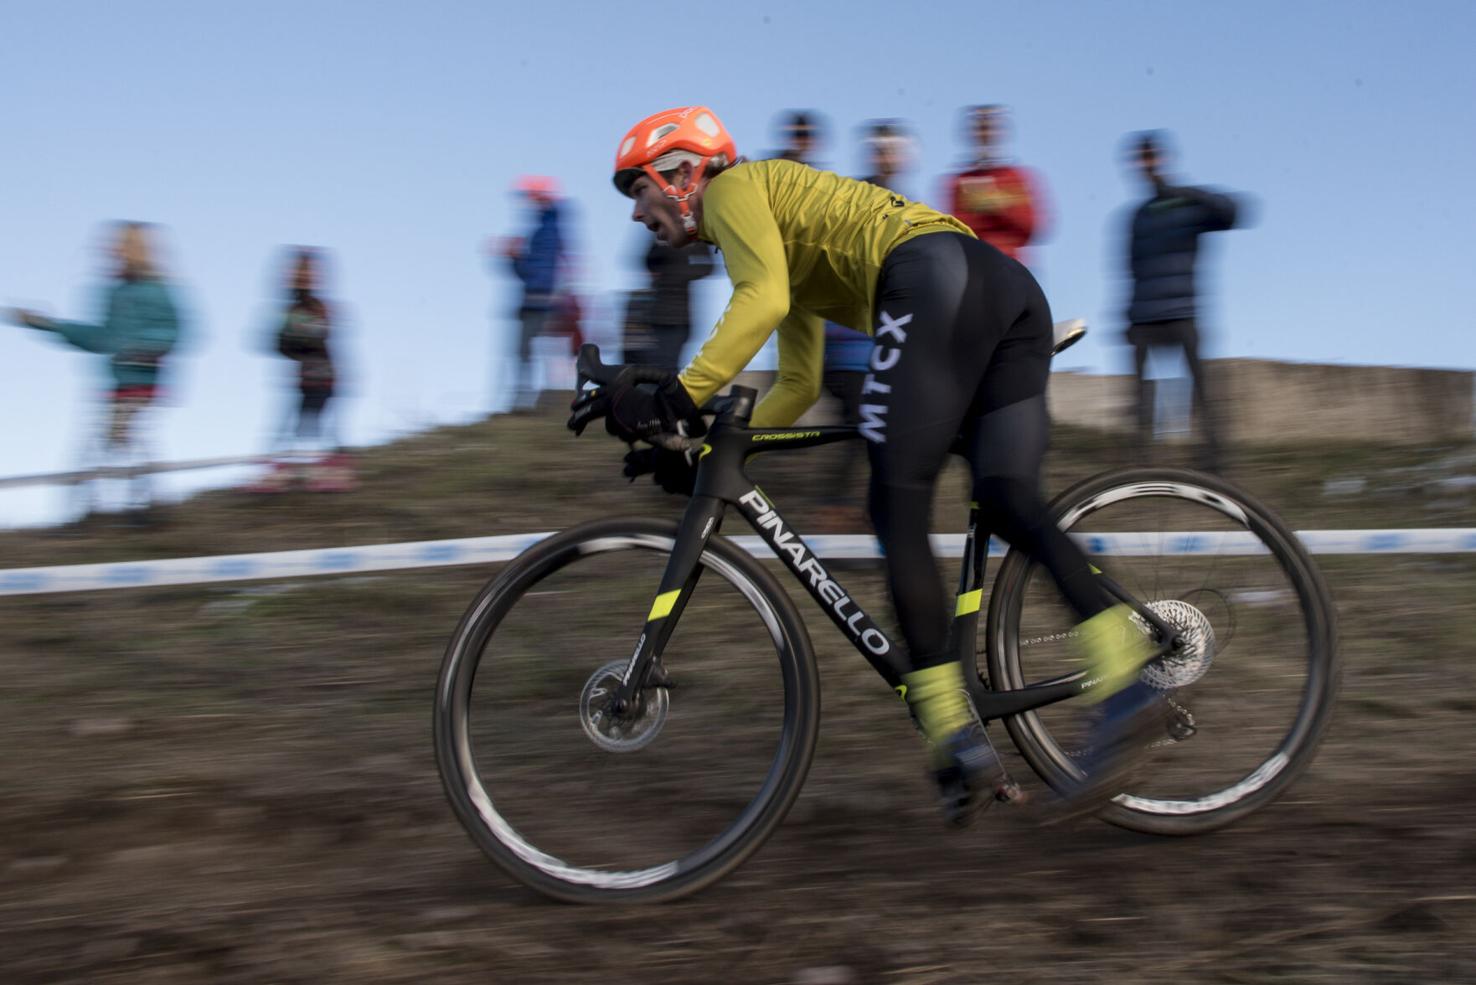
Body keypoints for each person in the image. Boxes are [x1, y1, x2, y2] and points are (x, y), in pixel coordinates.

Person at [570, 106, 1163, 823]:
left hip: (931, 278)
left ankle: (952, 733)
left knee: (895, 499)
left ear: (681, 173)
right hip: (1004, 293)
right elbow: (799, 382)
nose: (637, 214)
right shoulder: (778, 228)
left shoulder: (733, 192)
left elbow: (761, 300)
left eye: (637, 191)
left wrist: (679, 394)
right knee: (1006, 495)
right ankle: (1128, 681)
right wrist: (700, 449)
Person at [7, 221, 183, 521]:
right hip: (117, 382)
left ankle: (137, 508)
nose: (111, 251)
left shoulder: (157, 289)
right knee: (117, 440)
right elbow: (101, 337)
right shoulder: (114, 293)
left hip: (141, 381)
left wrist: (142, 347)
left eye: (119, 246)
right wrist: (47, 324)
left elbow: (171, 331)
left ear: (134, 249)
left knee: (116, 439)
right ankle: (129, 506)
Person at [1123, 130, 1242, 473]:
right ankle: (1141, 467)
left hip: (1183, 313)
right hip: (1144, 317)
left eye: (1152, 157)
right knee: (1142, 398)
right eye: (1142, 159)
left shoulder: (1188, 204)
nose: (1147, 165)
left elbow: (1232, 213)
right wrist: (1127, 319)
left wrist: (1185, 190)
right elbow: (1129, 268)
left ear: (1163, 159)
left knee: (1203, 392)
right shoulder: (1138, 216)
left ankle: (1214, 464)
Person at [252, 247, 355, 493]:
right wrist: (293, 342)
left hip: (325, 377)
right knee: (293, 425)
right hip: (302, 379)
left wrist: (298, 339)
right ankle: (281, 470)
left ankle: (336, 470)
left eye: (306, 273)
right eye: (297, 273)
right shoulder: (289, 310)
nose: (300, 278)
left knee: (322, 425)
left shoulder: (319, 308)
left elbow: (318, 335)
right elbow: (279, 343)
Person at [944, 105, 1048, 265]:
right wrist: (1002, 202)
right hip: (974, 267)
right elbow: (956, 230)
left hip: (1012, 266)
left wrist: (996, 205)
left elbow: (1032, 226)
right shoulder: (959, 181)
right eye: (980, 128)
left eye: (990, 128)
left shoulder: (1017, 177)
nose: (985, 134)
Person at [497, 175, 565, 412]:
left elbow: (537, 270)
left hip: (538, 300)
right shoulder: (549, 226)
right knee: (534, 351)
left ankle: (526, 401)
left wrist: (514, 256)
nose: (528, 201)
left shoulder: (547, 230)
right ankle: (534, 400)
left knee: (527, 351)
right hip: (539, 299)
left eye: (531, 196)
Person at [625, 235, 714, 371]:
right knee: (650, 366)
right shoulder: (661, 234)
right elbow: (647, 261)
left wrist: (676, 271)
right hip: (655, 314)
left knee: (667, 368)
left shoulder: (695, 237)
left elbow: (707, 266)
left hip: (678, 317)